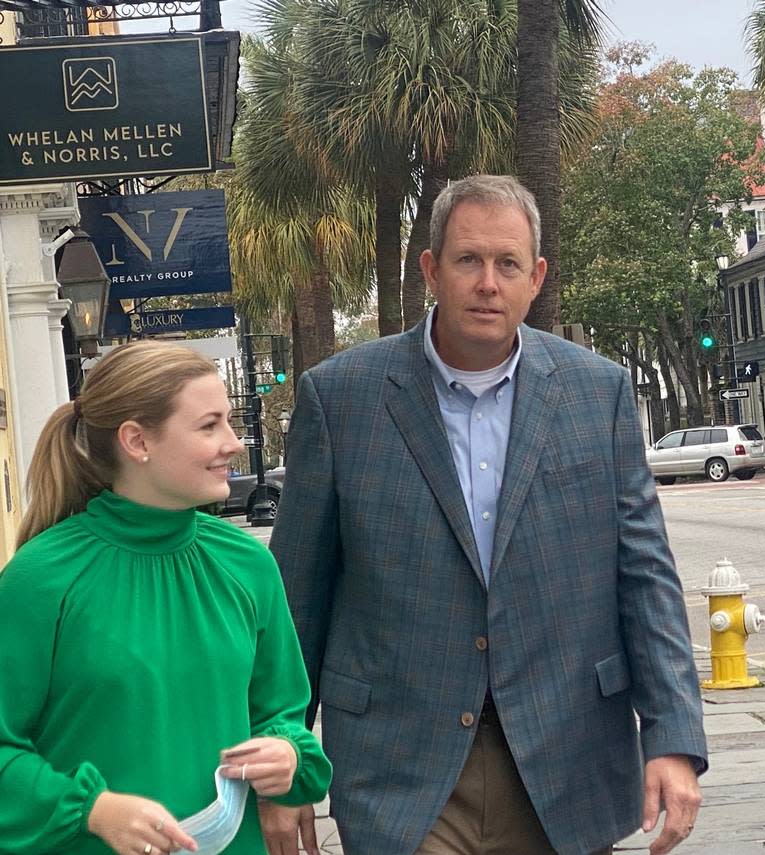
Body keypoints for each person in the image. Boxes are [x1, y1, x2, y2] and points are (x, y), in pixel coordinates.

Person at [268, 174, 707, 855]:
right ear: (431, 270)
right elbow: (296, 600)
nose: (487, 283)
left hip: (564, 758)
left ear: (535, 276)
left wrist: (674, 738)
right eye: (468, 260)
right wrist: (284, 752)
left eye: (508, 264)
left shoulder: (599, 395)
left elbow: (645, 576)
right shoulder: (340, 399)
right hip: (401, 767)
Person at [0, 341, 331, 855]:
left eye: (228, 421)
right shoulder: (40, 578)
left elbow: (282, 710)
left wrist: (287, 752)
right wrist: (93, 809)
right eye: (208, 425)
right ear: (137, 441)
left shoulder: (248, 565)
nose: (234, 443)